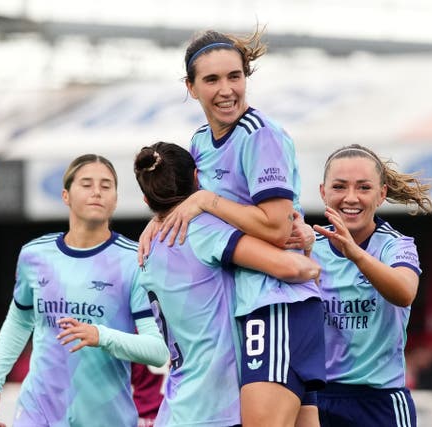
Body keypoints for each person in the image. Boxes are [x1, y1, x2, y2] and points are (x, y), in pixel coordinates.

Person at [139, 27, 326, 426]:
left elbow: (276, 229)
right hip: (252, 303)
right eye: (211, 79)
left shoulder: (260, 137)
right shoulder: (200, 141)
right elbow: (193, 208)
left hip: (276, 301)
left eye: (234, 76)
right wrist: (157, 222)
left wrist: (207, 200)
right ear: (191, 87)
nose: (226, 90)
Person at [133, 142, 322, 427]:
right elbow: (297, 268)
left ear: (147, 202)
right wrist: (307, 247)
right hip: (214, 407)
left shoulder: (149, 246)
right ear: (198, 178)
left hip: (177, 406)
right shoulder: (203, 230)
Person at [0, 154, 169, 427]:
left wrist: (100, 335)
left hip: (104, 416)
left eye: (106, 186)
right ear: (66, 195)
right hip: (38, 410)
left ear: (115, 199)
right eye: (86, 184)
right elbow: (19, 321)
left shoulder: (135, 260)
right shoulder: (35, 255)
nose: (96, 193)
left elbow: (157, 351)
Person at [311, 144, 432, 427]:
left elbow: (404, 293)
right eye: (339, 187)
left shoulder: (396, 245)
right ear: (323, 192)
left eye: (364, 188)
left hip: (380, 402)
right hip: (315, 400)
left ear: (382, 194)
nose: (351, 198)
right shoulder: (308, 246)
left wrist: (355, 253)